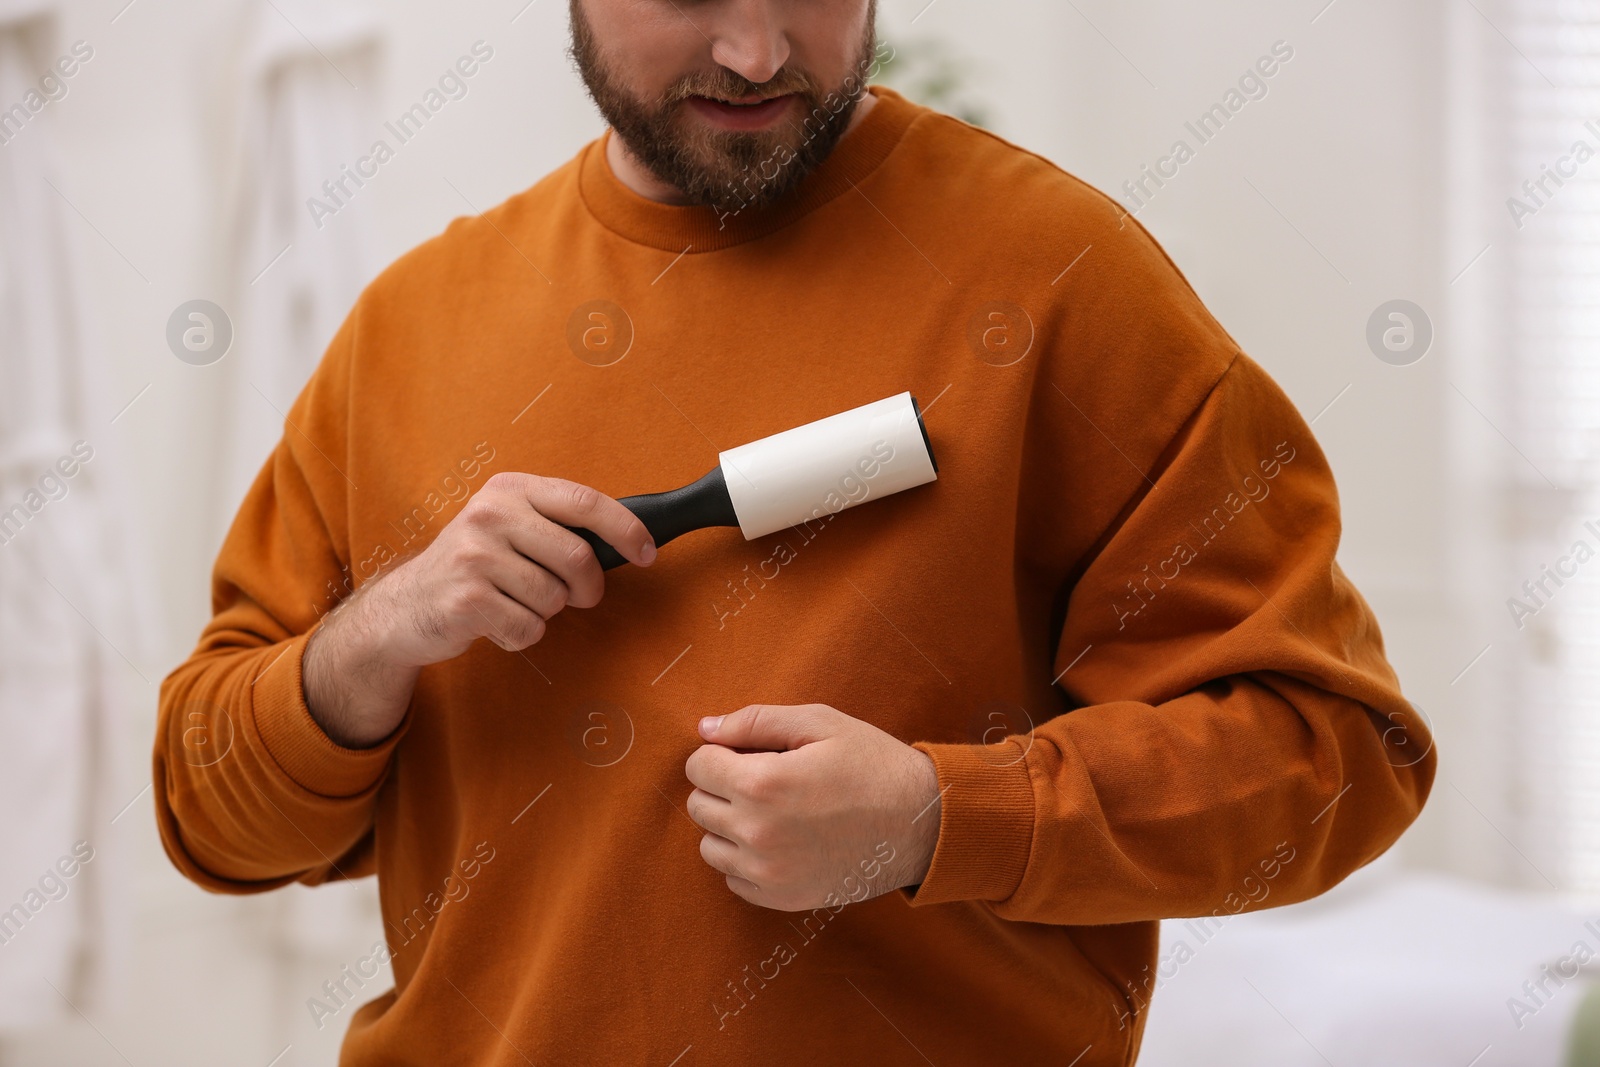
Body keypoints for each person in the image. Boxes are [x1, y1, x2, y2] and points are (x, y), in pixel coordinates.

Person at [153, 0, 1437, 1062]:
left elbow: (1336, 758)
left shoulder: (1063, 281)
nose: (757, 53)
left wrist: (941, 817)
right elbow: (215, 824)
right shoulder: (410, 329)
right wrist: (374, 637)